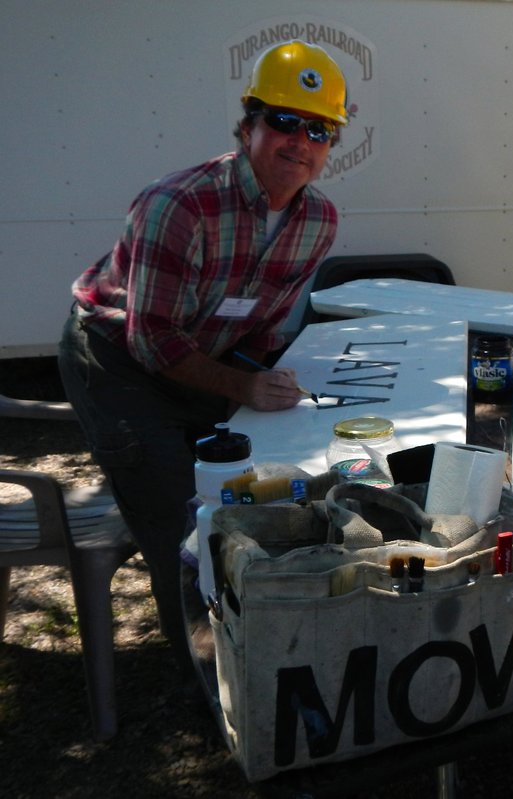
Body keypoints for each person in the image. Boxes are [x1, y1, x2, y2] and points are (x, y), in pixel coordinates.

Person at [58, 40, 348, 672]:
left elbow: (264, 328)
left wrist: (260, 379)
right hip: (117, 360)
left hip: (198, 353)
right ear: (248, 126)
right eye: (284, 121)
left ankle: (270, 638)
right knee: (178, 521)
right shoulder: (180, 204)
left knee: (245, 489)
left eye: (320, 129)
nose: (301, 142)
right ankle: (215, 681)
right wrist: (242, 389)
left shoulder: (318, 220)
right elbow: (151, 340)